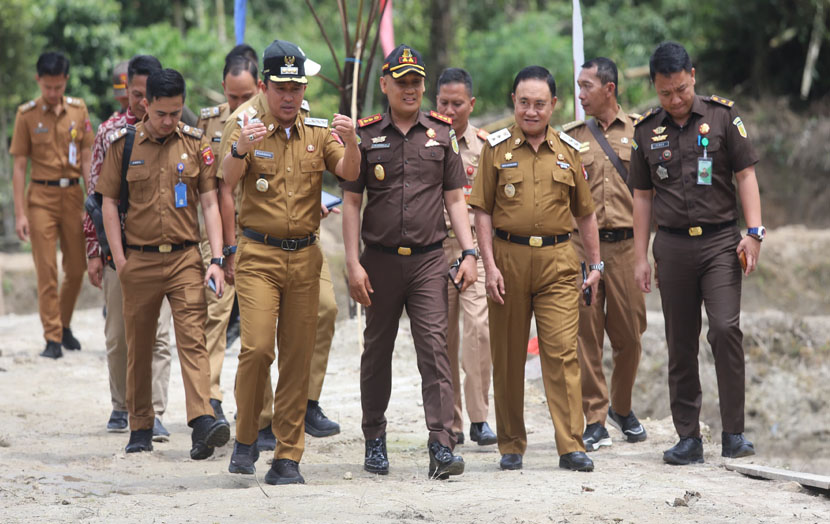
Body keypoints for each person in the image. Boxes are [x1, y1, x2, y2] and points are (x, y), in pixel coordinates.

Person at [220, 39, 359, 485]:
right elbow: (225, 181)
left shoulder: (318, 131)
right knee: (257, 348)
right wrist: (241, 148)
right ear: (264, 86)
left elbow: (350, 173)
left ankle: (287, 456)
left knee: (297, 358)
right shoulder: (248, 127)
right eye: (280, 87)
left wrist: (353, 142)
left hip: (305, 257)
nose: (289, 97)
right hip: (258, 254)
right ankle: (245, 438)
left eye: (296, 88)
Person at [342, 44, 476, 480]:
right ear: (385, 85)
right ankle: (375, 440)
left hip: (428, 262)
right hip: (378, 262)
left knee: (435, 351)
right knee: (376, 352)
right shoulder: (365, 135)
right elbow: (350, 202)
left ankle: (441, 445)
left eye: (417, 81)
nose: (411, 89)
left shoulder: (442, 132)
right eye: (402, 82)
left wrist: (469, 250)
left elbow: (455, 198)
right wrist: (351, 263)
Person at [629, 41, 763, 465]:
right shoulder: (646, 130)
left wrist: (754, 232)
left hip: (721, 242)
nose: (675, 100)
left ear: (693, 76)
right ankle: (688, 437)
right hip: (671, 246)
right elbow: (642, 198)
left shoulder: (724, 116)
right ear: (655, 86)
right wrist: (639, 256)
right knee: (679, 340)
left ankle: (734, 433)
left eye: (682, 90)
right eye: (665, 93)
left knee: (725, 329)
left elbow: (745, 174)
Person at [469, 65, 602, 473]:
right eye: (524, 102)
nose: (531, 111)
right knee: (508, 355)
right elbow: (482, 212)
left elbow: (585, 215)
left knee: (562, 354)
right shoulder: (494, 148)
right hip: (507, 261)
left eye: (539, 104)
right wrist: (488, 265)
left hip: (559, 264)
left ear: (553, 105)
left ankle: (570, 445)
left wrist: (595, 264)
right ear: (514, 101)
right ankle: (511, 444)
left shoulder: (568, 150)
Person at [97, 68, 229, 459]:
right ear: (145, 105)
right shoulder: (123, 146)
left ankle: (201, 421)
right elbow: (106, 203)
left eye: (176, 113)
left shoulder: (194, 143)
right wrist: (120, 259)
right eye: (162, 114)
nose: (170, 121)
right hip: (138, 259)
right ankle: (140, 425)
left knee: (193, 339)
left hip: (186, 258)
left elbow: (209, 202)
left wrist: (217, 259)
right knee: (139, 343)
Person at [84, 55, 174, 438]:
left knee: (159, 336)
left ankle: (153, 411)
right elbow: (94, 196)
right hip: (119, 253)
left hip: (165, 251)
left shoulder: (176, 133)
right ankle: (121, 405)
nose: (140, 103)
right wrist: (94, 250)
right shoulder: (110, 134)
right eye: (135, 94)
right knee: (119, 335)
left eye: (146, 95)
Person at [564, 57, 647, 451]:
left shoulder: (641, 131)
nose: (580, 94)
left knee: (630, 335)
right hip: (582, 248)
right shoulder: (569, 137)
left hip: (629, 246)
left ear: (609, 89)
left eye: (587, 86)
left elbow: (654, 195)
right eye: (578, 86)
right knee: (586, 335)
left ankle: (622, 407)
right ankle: (595, 418)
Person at [10, 51, 91, 359]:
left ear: (65, 81)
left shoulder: (78, 110)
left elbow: (85, 156)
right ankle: (52, 337)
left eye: (58, 87)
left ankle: (64, 323)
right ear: (38, 81)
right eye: (48, 88)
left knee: (77, 266)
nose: (54, 94)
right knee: (46, 270)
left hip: (72, 196)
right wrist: (20, 213)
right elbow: (20, 167)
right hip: (40, 199)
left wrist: (92, 196)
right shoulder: (26, 115)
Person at [196, 54, 260, 428]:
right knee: (216, 314)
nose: (239, 105)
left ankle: (256, 406)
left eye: (247, 96)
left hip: (257, 231)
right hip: (219, 233)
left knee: (258, 327)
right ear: (224, 89)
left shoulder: (270, 119)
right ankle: (211, 398)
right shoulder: (208, 121)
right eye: (233, 97)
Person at [435, 67, 497, 447]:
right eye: (443, 102)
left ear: (470, 104)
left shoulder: (485, 147)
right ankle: (451, 421)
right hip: (436, 253)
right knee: (442, 340)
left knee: (479, 330)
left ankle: (479, 418)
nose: (450, 109)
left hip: (473, 252)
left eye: (457, 103)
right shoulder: (428, 142)